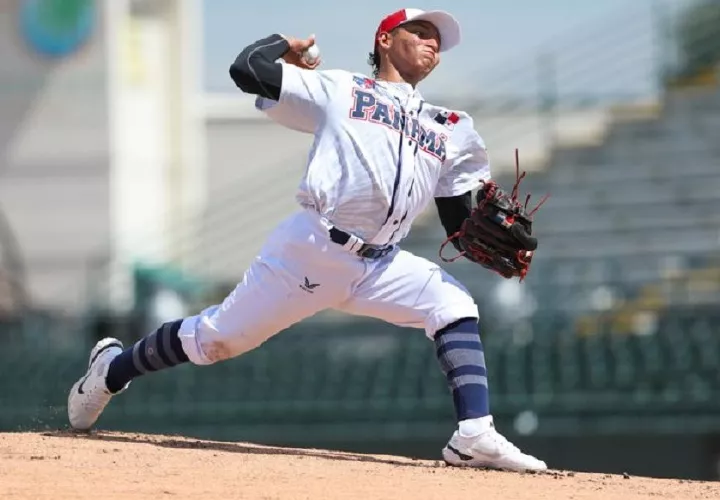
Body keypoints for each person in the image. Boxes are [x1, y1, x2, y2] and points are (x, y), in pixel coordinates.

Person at [67, 7, 547, 472]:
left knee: (454, 305)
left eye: (437, 40)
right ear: (384, 40)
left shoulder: (450, 127)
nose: (432, 42)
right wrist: (285, 46)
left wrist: (490, 241)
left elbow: (457, 225)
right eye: (420, 30)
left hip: (381, 264)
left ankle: (473, 434)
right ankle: (111, 369)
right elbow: (247, 68)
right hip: (313, 249)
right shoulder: (339, 88)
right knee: (216, 340)